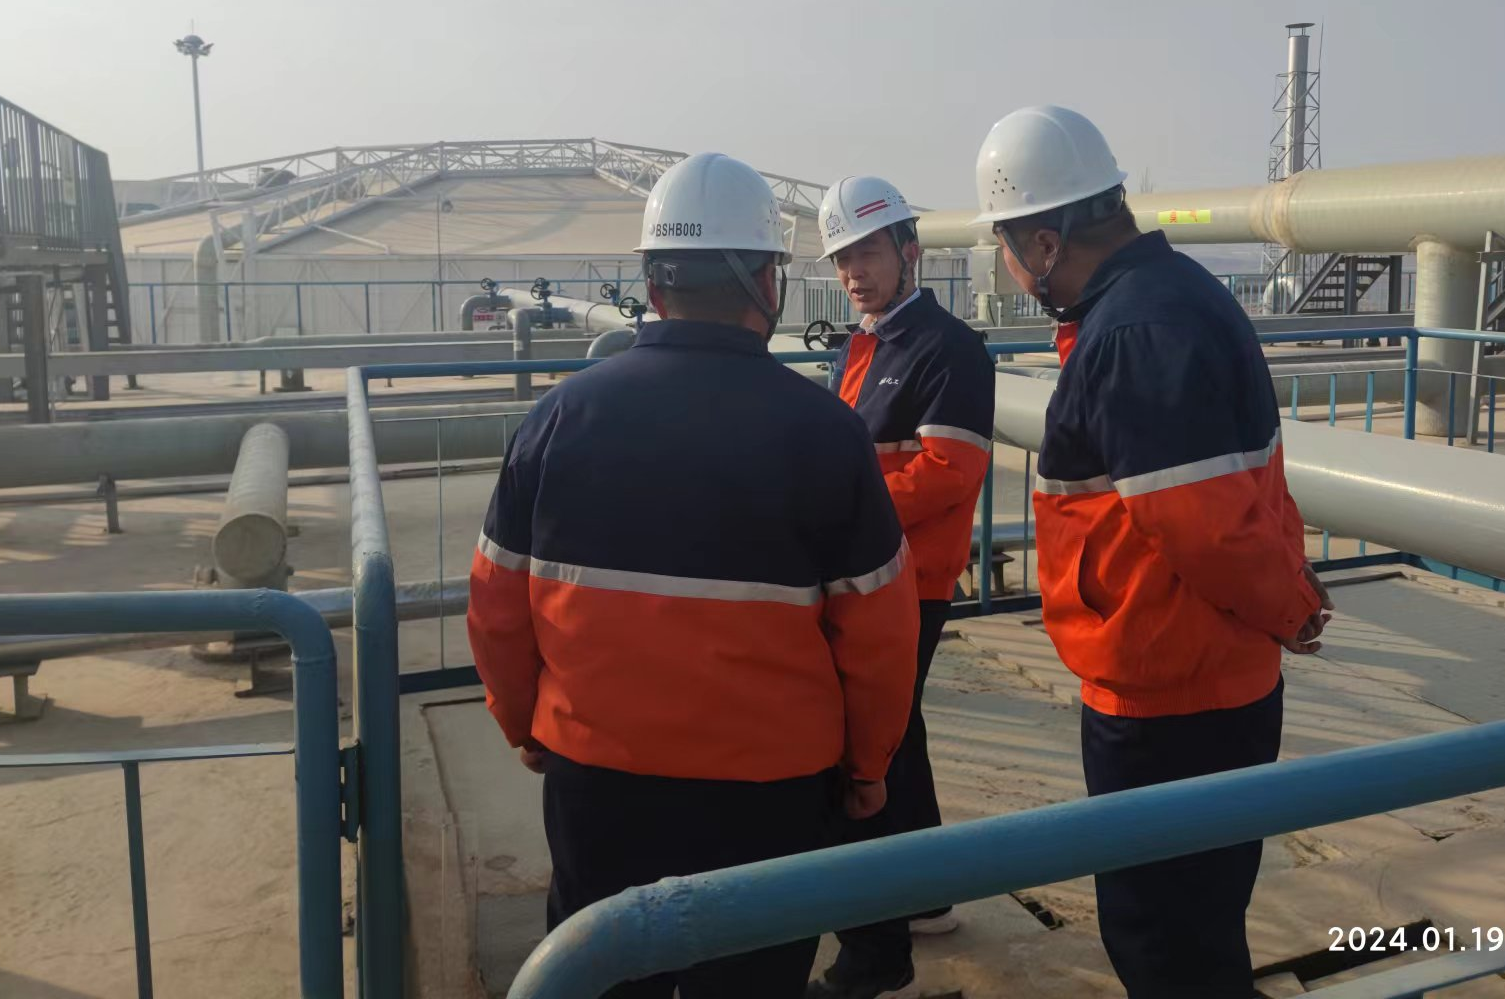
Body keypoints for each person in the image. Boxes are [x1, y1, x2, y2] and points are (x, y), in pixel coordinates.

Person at [467, 152, 920, 999]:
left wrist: (524, 723)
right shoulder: (826, 433)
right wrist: (868, 768)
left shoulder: (559, 416)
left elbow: (496, 605)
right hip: (770, 793)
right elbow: (880, 634)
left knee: (602, 974)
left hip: (598, 780)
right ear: (767, 281)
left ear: (652, 281)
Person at [969, 106, 1332, 999]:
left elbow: (1206, 525)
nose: (1008, 268)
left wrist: (1294, 609)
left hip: (1169, 693)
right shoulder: (1174, 297)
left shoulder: (1135, 332)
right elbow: (1237, 497)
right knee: (1199, 917)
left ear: (1044, 243)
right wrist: (1289, 597)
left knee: (1163, 940)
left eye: (1006, 246)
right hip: (1204, 674)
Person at [807, 177, 996, 999]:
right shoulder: (869, 344)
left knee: (868, 740)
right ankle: (927, 891)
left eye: (868, 253)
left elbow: (950, 471)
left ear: (909, 250)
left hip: (909, 581)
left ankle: (878, 933)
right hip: (871, 573)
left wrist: (842, 512)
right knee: (898, 734)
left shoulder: (948, 349)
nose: (854, 271)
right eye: (843, 258)